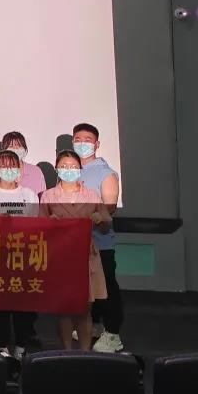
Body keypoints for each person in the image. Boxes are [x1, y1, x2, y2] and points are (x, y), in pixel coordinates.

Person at [41, 149, 108, 351]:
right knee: (64, 309)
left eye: (73, 166)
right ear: (56, 169)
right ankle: (66, 352)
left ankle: (85, 353)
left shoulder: (91, 195)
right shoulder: (48, 195)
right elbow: (39, 227)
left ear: (80, 169)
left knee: (85, 308)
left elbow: (106, 225)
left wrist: (100, 219)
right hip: (60, 256)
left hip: (86, 257)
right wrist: (50, 223)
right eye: (64, 166)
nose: (68, 170)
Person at [0, 149, 40, 359]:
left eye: (12, 166)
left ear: (20, 168)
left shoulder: (29, 195)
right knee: (0, 304)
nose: (8, 170)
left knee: (23, 304)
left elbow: (36, 226)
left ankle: (21, 346)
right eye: (3, 166)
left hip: (23, 257)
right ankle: (2, 346)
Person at [73, 122, 124, 352]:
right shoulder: (71, 170)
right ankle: (93, 325)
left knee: (107, 288)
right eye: (78, 140)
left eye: (87, 140)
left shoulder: (105, 172)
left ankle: (113, 333)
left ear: (97, 144)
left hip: (100, 242)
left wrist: (91, 215)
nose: (82, 144)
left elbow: (109, 207)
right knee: (87, 288)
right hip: (76, 242)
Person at [1, 131, 47, 196]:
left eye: (19, 146)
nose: (15, 149)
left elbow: (43, 198)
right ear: (4, 150)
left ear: (25, 149)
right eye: (11, 146)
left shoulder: (36, 171)